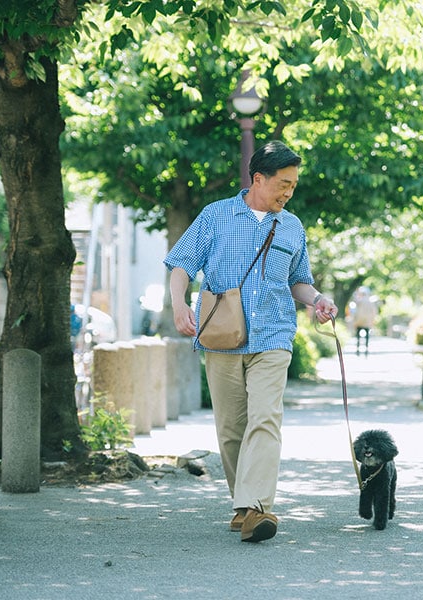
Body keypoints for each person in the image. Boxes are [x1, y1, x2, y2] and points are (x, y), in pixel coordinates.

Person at [164, 140, 337, 543]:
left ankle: (258, 506)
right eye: (283, 184)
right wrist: (177, 306)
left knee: (265, 417)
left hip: (274, 334)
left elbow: (299, 280)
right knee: (231, 428)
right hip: (223, 334)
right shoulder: (216, 216)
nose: (288, 192)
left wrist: (318, 300)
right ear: (258, 178)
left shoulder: (292, 226)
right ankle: (243, 507)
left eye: (293, 185)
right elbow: (181, 264)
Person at [348, 286, 378, 356]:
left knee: (358, 336)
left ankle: (358, 349)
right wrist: (372, 320)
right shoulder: (371, 302)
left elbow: (354, 309)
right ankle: (366, 350)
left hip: (359, 321)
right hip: (367, 321)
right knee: (367, 336)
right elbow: (374, 312)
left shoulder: (359, 301)